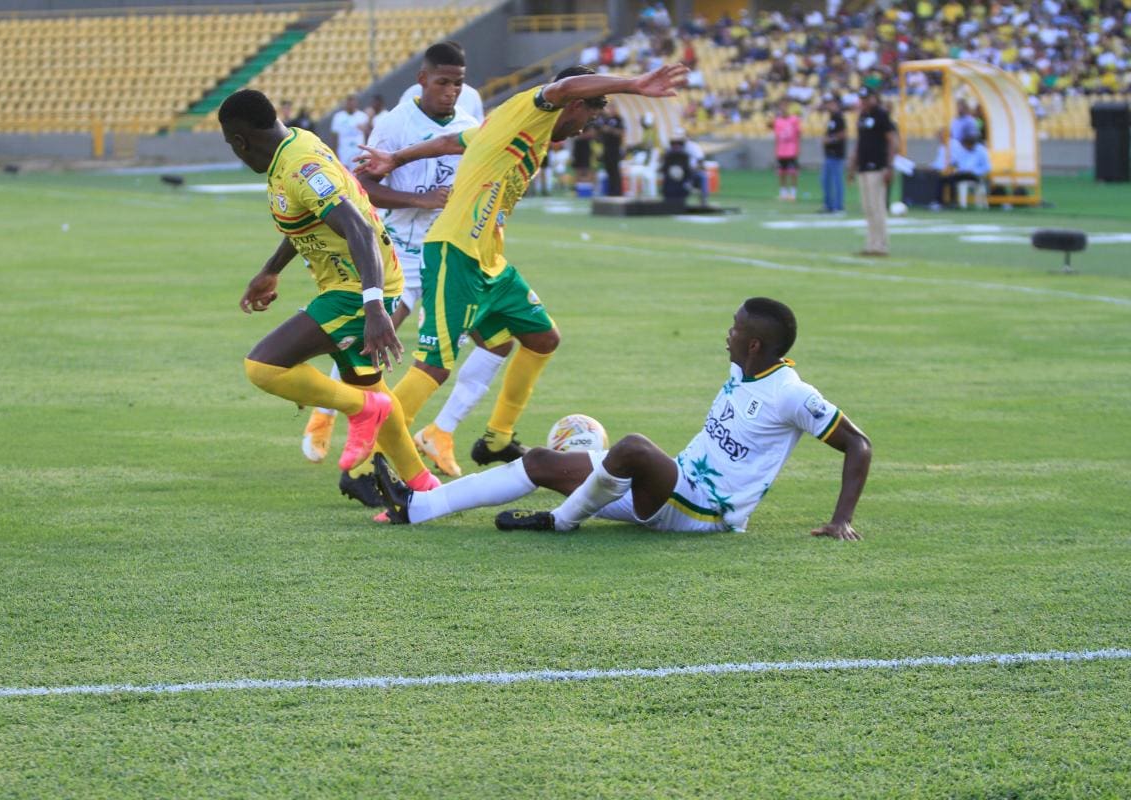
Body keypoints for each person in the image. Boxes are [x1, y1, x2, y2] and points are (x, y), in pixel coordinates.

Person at [356, 63, 690, 473]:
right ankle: (371, 462)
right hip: (455, 251)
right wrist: (632, 85)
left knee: (541, 338)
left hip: (489, 260)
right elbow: (563, 85)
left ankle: (497, 440)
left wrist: (395, 158)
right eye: (591, 114)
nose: (587, 126)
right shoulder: (531, 109)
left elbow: (449, 142)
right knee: (435, 363)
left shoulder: (520, 130)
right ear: (575, 104)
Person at [372, 298, 871, 541]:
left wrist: (841, 520)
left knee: (631, 447)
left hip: (704, 511)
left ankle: (559, 523)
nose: (728, 335)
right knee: (543, 460)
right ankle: (418, 506)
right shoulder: (744, 371)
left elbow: (858, 445)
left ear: (756, 344)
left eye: (735, 329)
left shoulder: (792, 394)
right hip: (668, 488)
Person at [218, 89, 440, 502]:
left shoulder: (300, 166)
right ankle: (425, 488)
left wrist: (373, 306)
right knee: (376, 391)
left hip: (357, 289)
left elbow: (358, 229)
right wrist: (271, 270)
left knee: (262, 367)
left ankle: (358, 409)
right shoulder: (296, 145)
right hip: (362, 284)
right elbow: (309, 219)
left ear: (239, 141)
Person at [303, 42, 511, 482]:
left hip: (454, 252)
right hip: (402, 252)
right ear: (422, 79)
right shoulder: (394, 125)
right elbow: (360, 187)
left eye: (458, 82)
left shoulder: (469, 126)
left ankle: (443, 431)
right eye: (443, 82)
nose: (451, 90)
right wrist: (420, 199)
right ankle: (325, 413)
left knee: (499, 339)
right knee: (371, 342)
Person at [848, 88, 897, 257]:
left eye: (867, 98)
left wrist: (890, 166)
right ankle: (871, 243)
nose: (864, 102)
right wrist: (853, 166)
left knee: (877, 207)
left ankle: (881, 245)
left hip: (877, 166)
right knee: (867, 208)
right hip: (863, 166)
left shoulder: (882, 115)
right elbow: (859, 143)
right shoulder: (862, 117)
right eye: (862, 99)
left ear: (874, 98)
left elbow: (892, 141)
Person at [933, 133, 991, 208]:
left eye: (966, 145)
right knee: (944, 178)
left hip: (975, 175)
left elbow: (987, 167)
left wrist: (974, 171)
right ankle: (941, 202)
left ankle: (953, 202)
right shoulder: (963, 150)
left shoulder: (981, 151)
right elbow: (957, 162)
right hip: (962, 174)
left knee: (952, 178)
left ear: (971, 144)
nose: (965, 147)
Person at [820, 94, 846, 213]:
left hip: (836, 154)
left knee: (836, 181)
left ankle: (838, 205)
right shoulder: (832, 118)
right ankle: (828, 204)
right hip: (829, 154)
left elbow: (843, 134)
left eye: (831, 103)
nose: (828, 106)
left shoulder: (839, 118)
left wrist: (830, 139)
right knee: (825, 180)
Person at [772, 101, 801, 201]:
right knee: (781, 173)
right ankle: (783, 194)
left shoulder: (794, 120)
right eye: (781, 107)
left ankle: (793, 194)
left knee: (793, 173)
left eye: (785, 106)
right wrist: (776, 150)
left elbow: (798, 135)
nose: (783, 109)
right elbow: (777, 137)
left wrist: (798, 148)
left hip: (792, 150)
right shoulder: (777, 121)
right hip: (781, 151)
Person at [328, 95, 369, 165]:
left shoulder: (363, 116)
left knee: (359, 171)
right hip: (343, 150)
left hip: (358, 151)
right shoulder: (338, 117)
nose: (351, 105)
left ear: (356, 103)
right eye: (349, 102)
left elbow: (367, 134)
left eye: (352, 102)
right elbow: (334, 135)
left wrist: (366, 150)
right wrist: (334, 152)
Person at [597, 103, 625, 196]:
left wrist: (610, 130)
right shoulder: (605, 119)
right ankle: (610, 191)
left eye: (611, 108)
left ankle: (618, 191)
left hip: (615, 148)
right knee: (608, 170)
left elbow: (621, 133)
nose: (610, 110)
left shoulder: (618, 119)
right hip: (606, 147)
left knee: (615, 170)